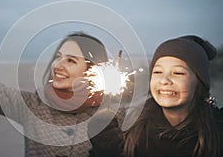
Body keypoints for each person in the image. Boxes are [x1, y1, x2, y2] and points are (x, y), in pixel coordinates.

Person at [0, 23, 129, 157]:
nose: (58, 65)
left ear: (91, 71)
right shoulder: (32, 106)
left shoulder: (111, 112)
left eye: (71, 60)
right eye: (58, 56)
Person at [89, 35, 223, 157]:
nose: (164, 80)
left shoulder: (217, 129)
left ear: (200, 82)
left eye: (178, 73)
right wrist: (105, 148)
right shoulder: (132, 127)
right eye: (158, 71)